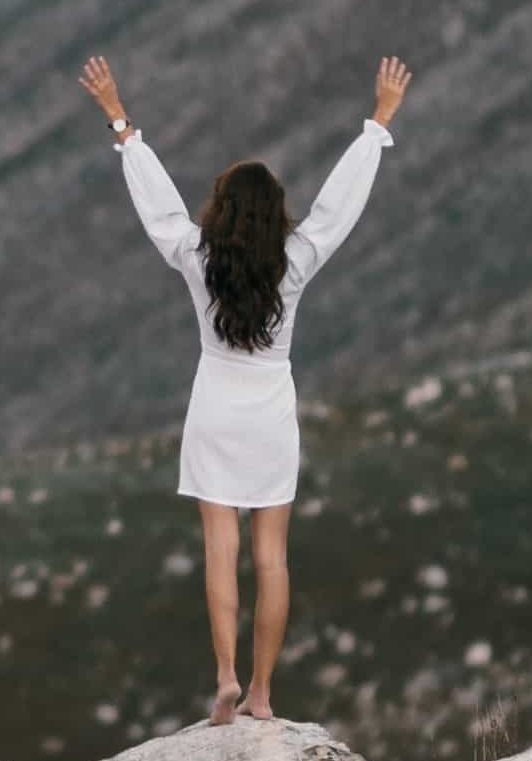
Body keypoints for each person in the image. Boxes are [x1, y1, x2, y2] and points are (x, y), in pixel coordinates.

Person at [73, 49, 410, 725]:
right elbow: (337, 208)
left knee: (219, 550)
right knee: (272, 559)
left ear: (222, 211)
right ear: (274, 212)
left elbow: (160, 210)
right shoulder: (297, 263)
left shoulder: (199, 260)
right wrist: (377, 122)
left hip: (214, 413)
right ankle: (261, 693)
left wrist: (119, 120)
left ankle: (224, 677)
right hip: (270, 417)